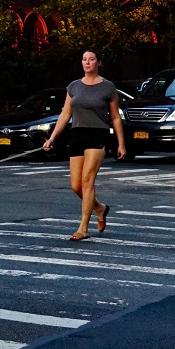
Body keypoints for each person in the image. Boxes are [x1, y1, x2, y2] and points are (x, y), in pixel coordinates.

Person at [43, 49, 125, 239]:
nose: (87, 62)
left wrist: (121, 143)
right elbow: (65, 114)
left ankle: (83, 228)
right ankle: (100, 207)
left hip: (98, 134)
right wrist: (53, 138)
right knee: (76, 185)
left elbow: (115, 117)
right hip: (77, 134)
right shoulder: (74, 86)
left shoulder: (108, 87)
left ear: (99, 63)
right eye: (84, 59)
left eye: (91, 59)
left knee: (88, 180)